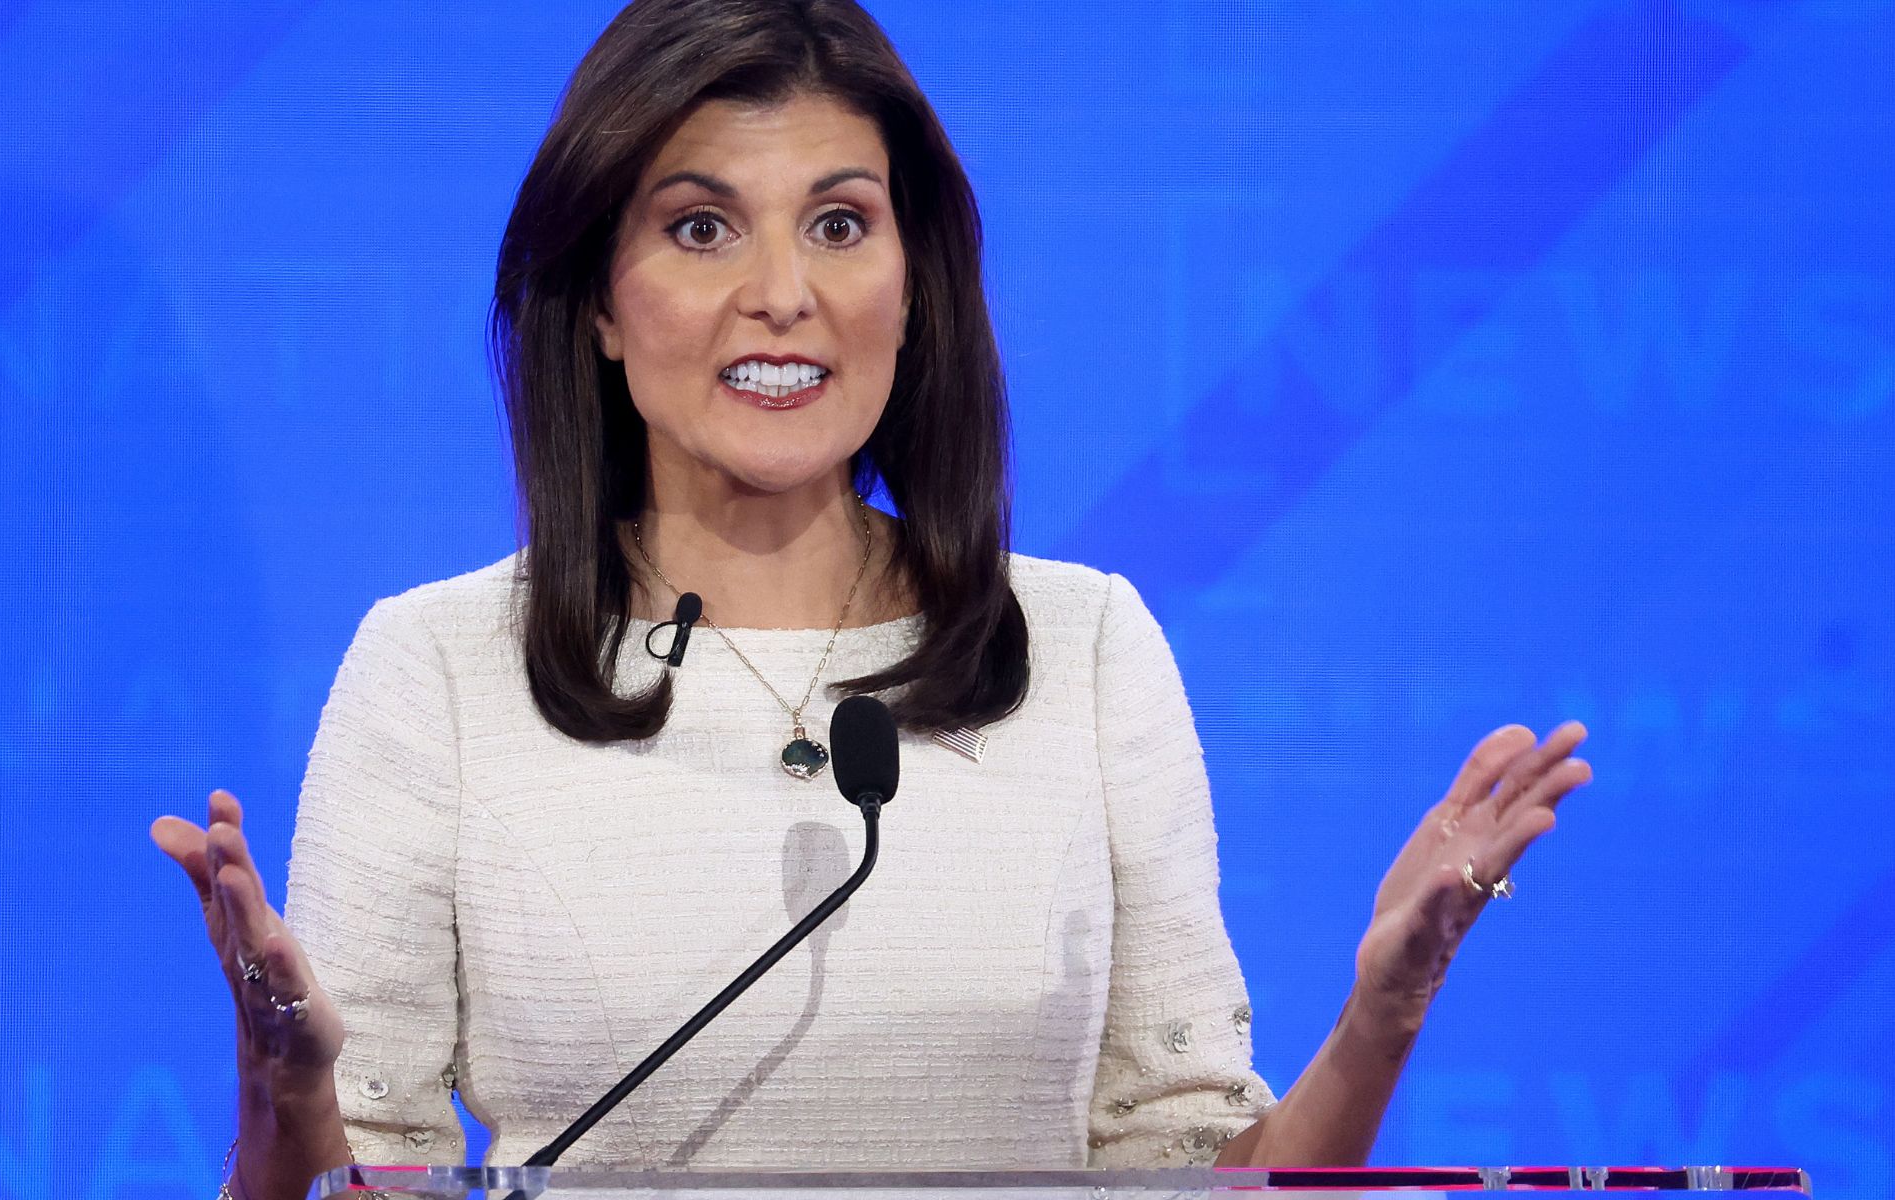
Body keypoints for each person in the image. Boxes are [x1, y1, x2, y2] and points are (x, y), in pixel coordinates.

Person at [149, 2, 1593, 1198]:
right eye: (702, 229)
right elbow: (362, 1175)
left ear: (914, 284)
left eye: (840, 226)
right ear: (598, 298)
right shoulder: (442, 670)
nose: (785, 294)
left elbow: (1195, 1175)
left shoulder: (1081, 650)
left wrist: (1382, 1019)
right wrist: (285, 1098)